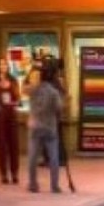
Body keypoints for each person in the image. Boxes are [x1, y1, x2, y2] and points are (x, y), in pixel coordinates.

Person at [26, 62, 62, 194]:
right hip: (50, 126)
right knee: (53, 156)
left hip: (35, 126)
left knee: (33, 157)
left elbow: (24, 88)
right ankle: (54, 186)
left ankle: (33, 185)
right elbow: (58, 108)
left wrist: (32, 71)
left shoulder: (32, 90)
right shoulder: (53, 92)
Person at [0, 57, 20, 184]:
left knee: (14, 144)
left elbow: (17, 96)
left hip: (11, 113)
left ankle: (14, 173)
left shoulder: (13, 79)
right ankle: (3, 174)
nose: (3, 66)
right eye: (0, 64)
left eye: (5, 64)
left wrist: (15, 100)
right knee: (1, 145)